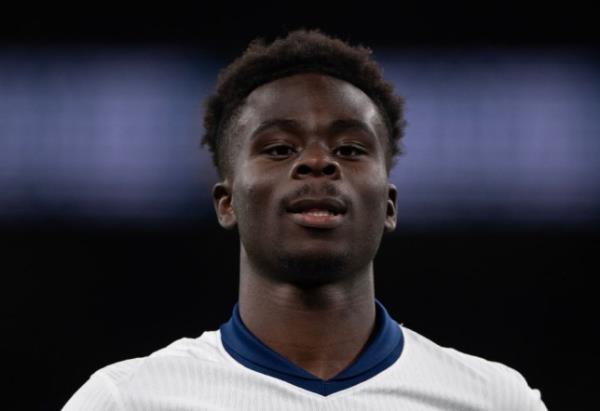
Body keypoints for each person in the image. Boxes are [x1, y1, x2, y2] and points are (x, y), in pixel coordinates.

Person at [63, 30, 547, 410]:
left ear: (389, 205)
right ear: (226, 203)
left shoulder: (493, 400)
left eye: (350, 149)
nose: (318, 162)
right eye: (279, 148)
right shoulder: (128, 399)